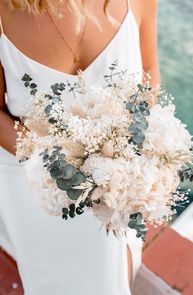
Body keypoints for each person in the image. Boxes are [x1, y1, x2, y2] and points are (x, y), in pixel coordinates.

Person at [0, 0, 160, 293]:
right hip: (31, 174)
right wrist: (57, 160)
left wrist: (134, 149)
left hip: (115, 176)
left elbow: (148, 72)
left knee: (114, 263)